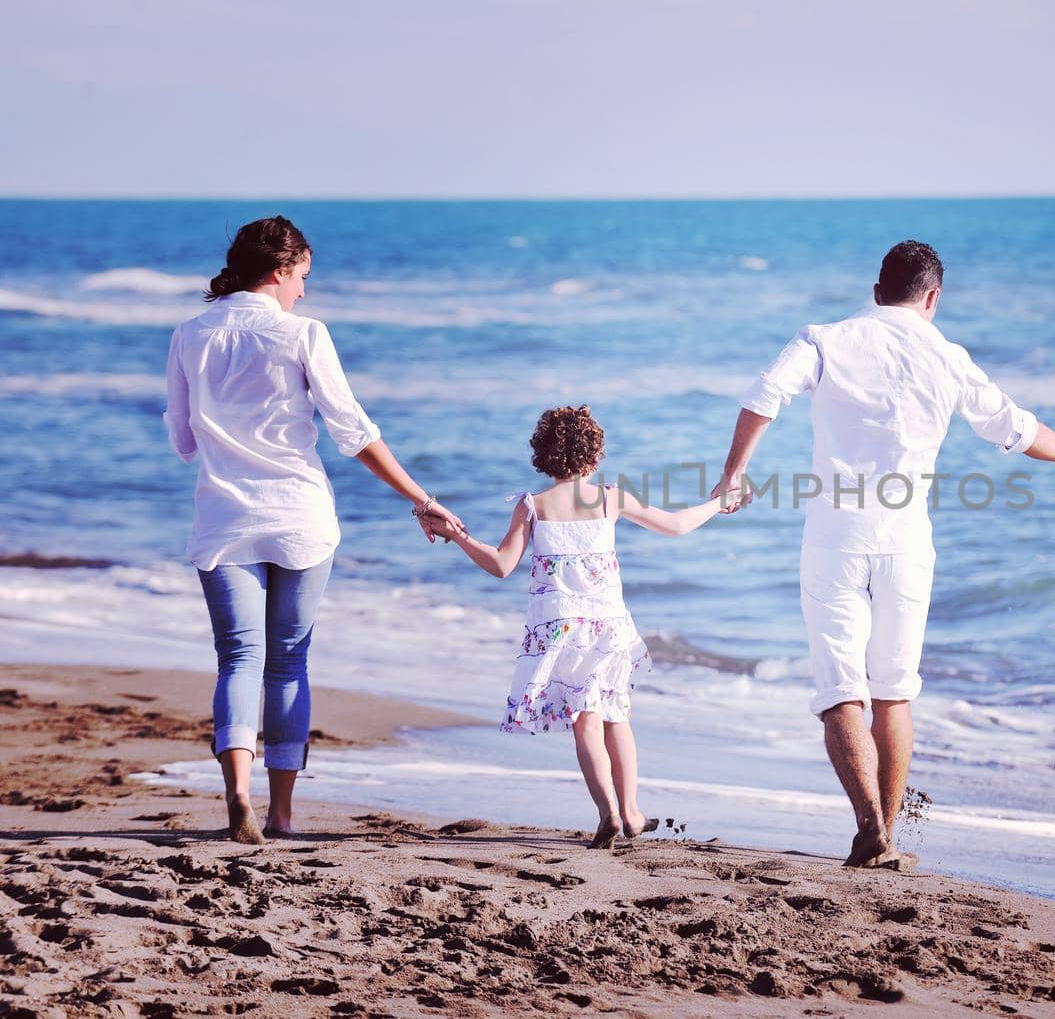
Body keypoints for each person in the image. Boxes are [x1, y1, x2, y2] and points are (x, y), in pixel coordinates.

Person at [715, 240, 1055, 868]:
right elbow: (1017, 429)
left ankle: (870, 828)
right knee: (894, 693)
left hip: (835, 536)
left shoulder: (824, 338)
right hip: (907, 542)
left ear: (878, 289)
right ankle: (890, 838)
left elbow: (765, 395)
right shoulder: (947, 355)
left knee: (841, 690)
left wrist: (734, 473)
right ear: (932, 298)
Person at [164, 215, 465, 846]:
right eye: (302, 277)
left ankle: (237, 795)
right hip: (300, 517)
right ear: (279, 271)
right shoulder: (304, 333)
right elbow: (354, 431)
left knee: (238, 660)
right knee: (288, 663)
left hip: (225, 519)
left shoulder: (190, 335)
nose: (303, 290)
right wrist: (422, 498)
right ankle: (280, 815)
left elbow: (183, 439)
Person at [424, 405, 727, 849]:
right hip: (608, 625)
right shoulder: (609, 497)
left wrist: (459, 537)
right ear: (595, 454)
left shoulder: (533, 505)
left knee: (584, 718)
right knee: (616, 714)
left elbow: (502, 566)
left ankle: (608, 812)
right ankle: (632, 812)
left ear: (542, 454)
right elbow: (677, 526)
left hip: (557, 628)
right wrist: (719, 501)